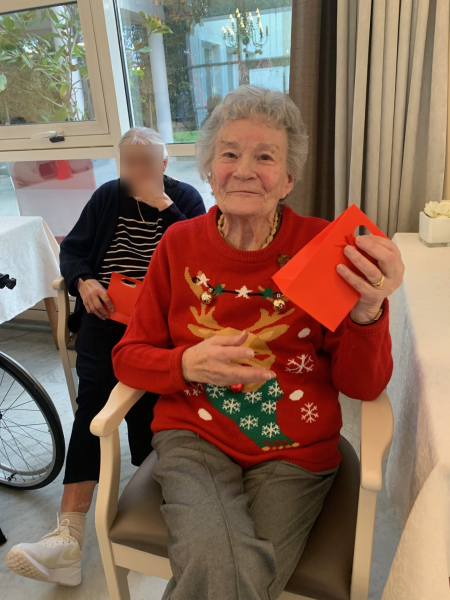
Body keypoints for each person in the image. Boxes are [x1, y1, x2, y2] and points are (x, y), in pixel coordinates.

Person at [111, 86, 404, 600]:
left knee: (230, 574)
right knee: (217, 560)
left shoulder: (323, 249)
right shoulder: (178, 244)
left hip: (295, 449)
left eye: (265, 157)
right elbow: (128, 358)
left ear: (288, 178)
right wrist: (187, 364)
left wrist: (368, 310)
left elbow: (362, 384)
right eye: (229, 154)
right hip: (193, 437)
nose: (244, 170)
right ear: (209, 170)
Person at [6, 127, 206, 586]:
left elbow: (199, 262)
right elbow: (73, 250)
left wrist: (166, 209)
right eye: (128, 162)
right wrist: (84, 281)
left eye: (146, 162)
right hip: (107, 317)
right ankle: (68, 536)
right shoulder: (107, 196)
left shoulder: (185, 200)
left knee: (153, 409)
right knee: (94, 402)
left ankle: (160, 510)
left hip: (160, 324)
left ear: (163, 164)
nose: (136, 171)